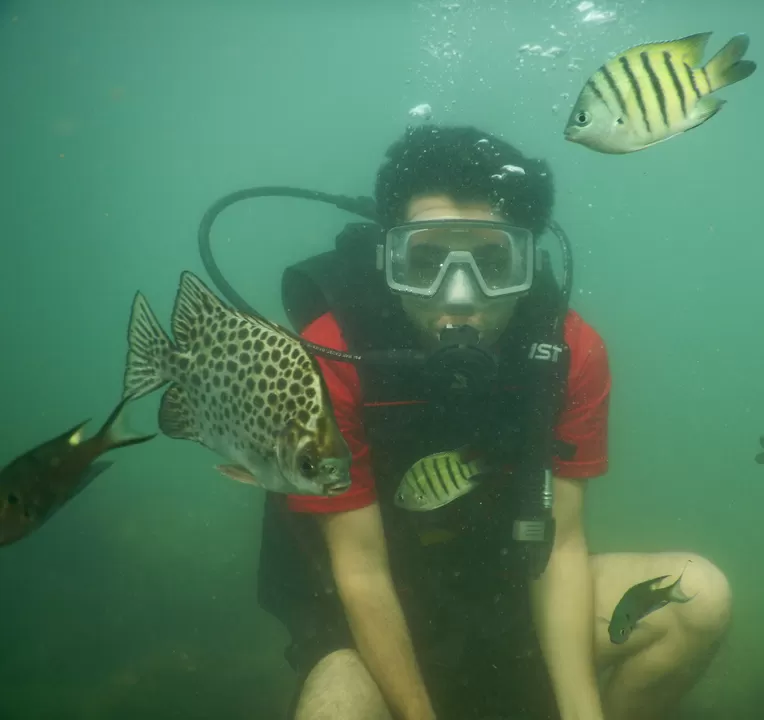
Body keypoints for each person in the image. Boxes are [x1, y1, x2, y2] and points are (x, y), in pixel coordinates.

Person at [257, 124, 732, 720]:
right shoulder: (328, 356)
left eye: (492, 262)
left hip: (507, 595)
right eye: (425, 261)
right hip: (372, 621)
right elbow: (361, 570)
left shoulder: (568, 353)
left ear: (527, 263)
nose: (459, 295)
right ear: (387, 260)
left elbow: (562, 544)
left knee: (698, 600)